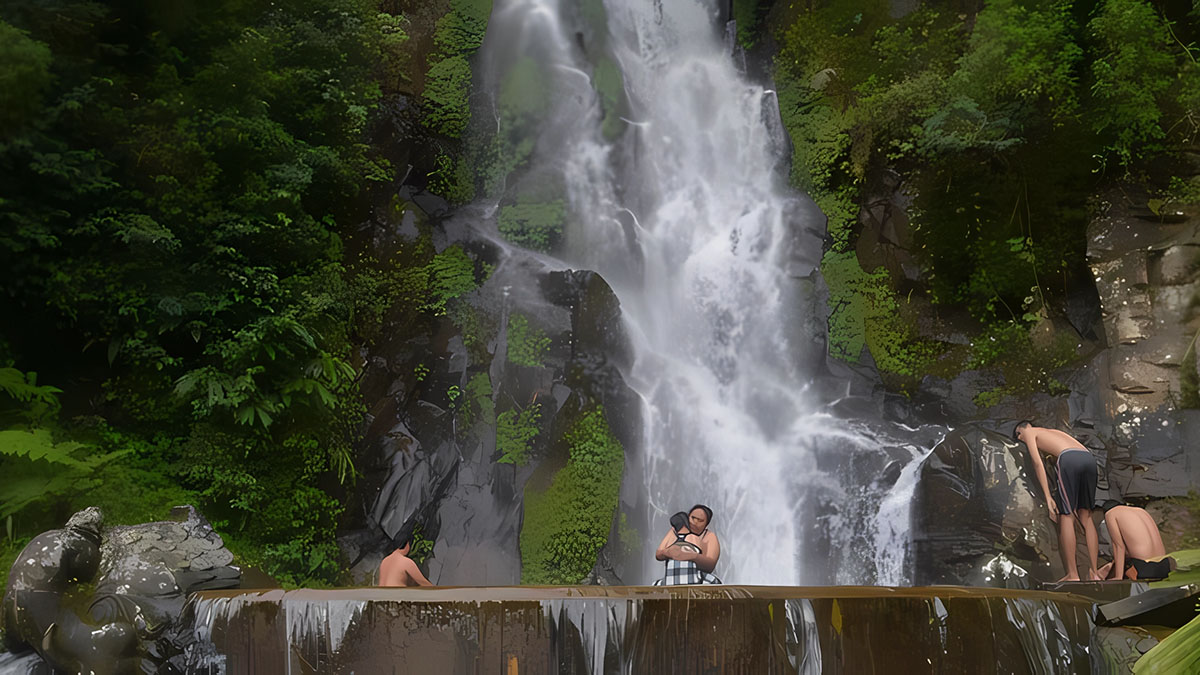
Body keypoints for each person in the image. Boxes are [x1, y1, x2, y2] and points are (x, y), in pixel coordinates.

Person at [1013, 421, 1100, 581]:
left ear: (1020, 432)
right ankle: (1095, 573)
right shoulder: (1052, 431)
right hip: (1088, 458)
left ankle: (1073, 574)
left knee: (1066, 515)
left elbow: (1037, 463)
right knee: (1086, 516)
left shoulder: (1028, 433)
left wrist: (1048, 496)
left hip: (1069, 458)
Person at [1096, 500, 1176, 580]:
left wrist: (1118, 576)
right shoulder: (1141, 511)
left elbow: (1119, 547)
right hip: (1164, 564)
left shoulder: (1111, 513)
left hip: (1143, 567)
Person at [654, 504, 722, 584]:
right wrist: (669, 552)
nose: (695, 522)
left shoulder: (709, 537)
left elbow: (710, 565)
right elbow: (658, 554)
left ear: (706, 524)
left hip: (698, 580)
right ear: (688, 517)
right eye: (693, 518)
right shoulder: (675, 531)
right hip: (672, 579)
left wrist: (692, 556)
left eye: (700, 520)